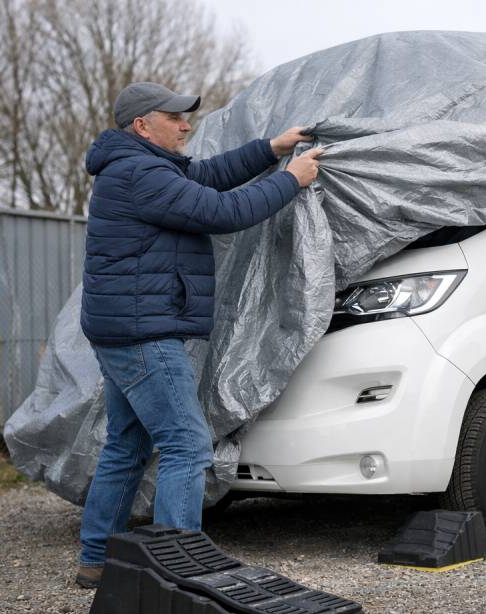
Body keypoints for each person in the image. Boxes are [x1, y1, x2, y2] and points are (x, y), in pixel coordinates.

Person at [75, 82, 322, 588]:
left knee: (127, 444)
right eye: (176, 118)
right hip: (145, 332)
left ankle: (97, 558)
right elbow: (222, 211)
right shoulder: (141, 173)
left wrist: (270, 150)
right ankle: (176, 572)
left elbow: (206, 177)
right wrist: (291, 179)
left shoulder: (141, 166)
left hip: (125, 327)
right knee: (186, 444)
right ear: (144, 125)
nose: (187, 125)